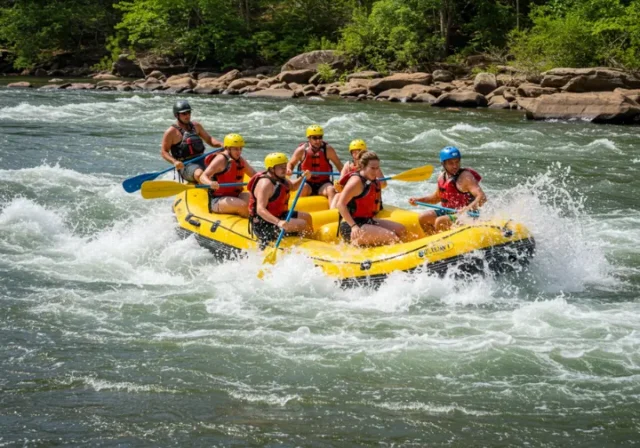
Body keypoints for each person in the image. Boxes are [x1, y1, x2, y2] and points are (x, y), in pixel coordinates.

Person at [409, 146, 486, 234]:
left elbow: (481, 196)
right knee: (423, 217)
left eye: (457, 162)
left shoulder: (465, 177)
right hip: (449, 211)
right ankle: (432, 242)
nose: (455, 166)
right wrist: (419, 200)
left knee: (440, 221)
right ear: (443, 164)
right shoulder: (442, 176)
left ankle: (442, 243)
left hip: (468, 215)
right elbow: (436, 198)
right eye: (451, 163)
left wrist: (467, 209)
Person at [337, 151, 407, 246]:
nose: (375, 172)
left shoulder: (373, 180)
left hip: (367, 221)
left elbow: (383, 184)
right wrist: (353, 226)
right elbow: (340, 204)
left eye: (377, 168)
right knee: (392, 237)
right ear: (363, 166)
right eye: (372, 168)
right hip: (351, 226)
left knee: (401, 230)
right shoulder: (356, 182)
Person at [248, 153, 313, 249]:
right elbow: (260, 210)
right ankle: (307, 246)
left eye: (285, 166)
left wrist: (303, 177)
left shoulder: (280, 178)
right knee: (302, 224)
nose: (284, 169)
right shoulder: (265, 184)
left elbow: (293, 187)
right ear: (271, 169)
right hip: (264, 224)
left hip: (278, 214)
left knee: (307, 217)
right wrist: (278, 222)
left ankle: (311, 239)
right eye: (281, 167)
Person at [160, 100, 223, 183]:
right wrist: (175, 162)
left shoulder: (196, 126)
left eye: (188, 112)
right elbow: (164, 152)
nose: (187, 115)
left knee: (223, 161)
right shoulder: (171, 132)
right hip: (185, 165)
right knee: (199, 173)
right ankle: (211, 189)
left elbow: (209, 140)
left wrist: (222, 144)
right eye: (184, 113)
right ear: (176, 115)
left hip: (201, 159)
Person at [199, 133, 256, 218]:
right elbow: (203, 177)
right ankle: (252, 224)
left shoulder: (240, 160)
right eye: (236, 149)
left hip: (236, 195)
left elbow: (254, 175)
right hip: (218, 200)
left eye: (240, 149)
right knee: (242, 205)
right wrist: (210, 183)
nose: (239, 152)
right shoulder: (221, 160)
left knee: (258, 200)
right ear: (227, 149)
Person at [286, 124, 343, 203]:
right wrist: (289, 169)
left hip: (323, 183)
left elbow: (339, 165)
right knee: (303, 188)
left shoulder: (328, 149)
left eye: (320, 137)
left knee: (331, 190)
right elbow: (291, 163)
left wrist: (345, 180)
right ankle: (298, 212)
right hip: (306, 182)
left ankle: (334, 212)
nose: (318, 140)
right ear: (309, 138)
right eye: (315, 138)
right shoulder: (301, 150)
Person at [330, 139, 387, 209]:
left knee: (339, 197)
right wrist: (338, 186)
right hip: (354, 193)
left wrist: (373, 182)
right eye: (354, 152)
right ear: (351, 153)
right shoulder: (348, 165)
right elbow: (341, 182)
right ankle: (332, 215)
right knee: (337, 196)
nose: (357, 154)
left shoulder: (372, 166)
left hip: (367, 194)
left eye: (359, 151)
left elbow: (383, 183)